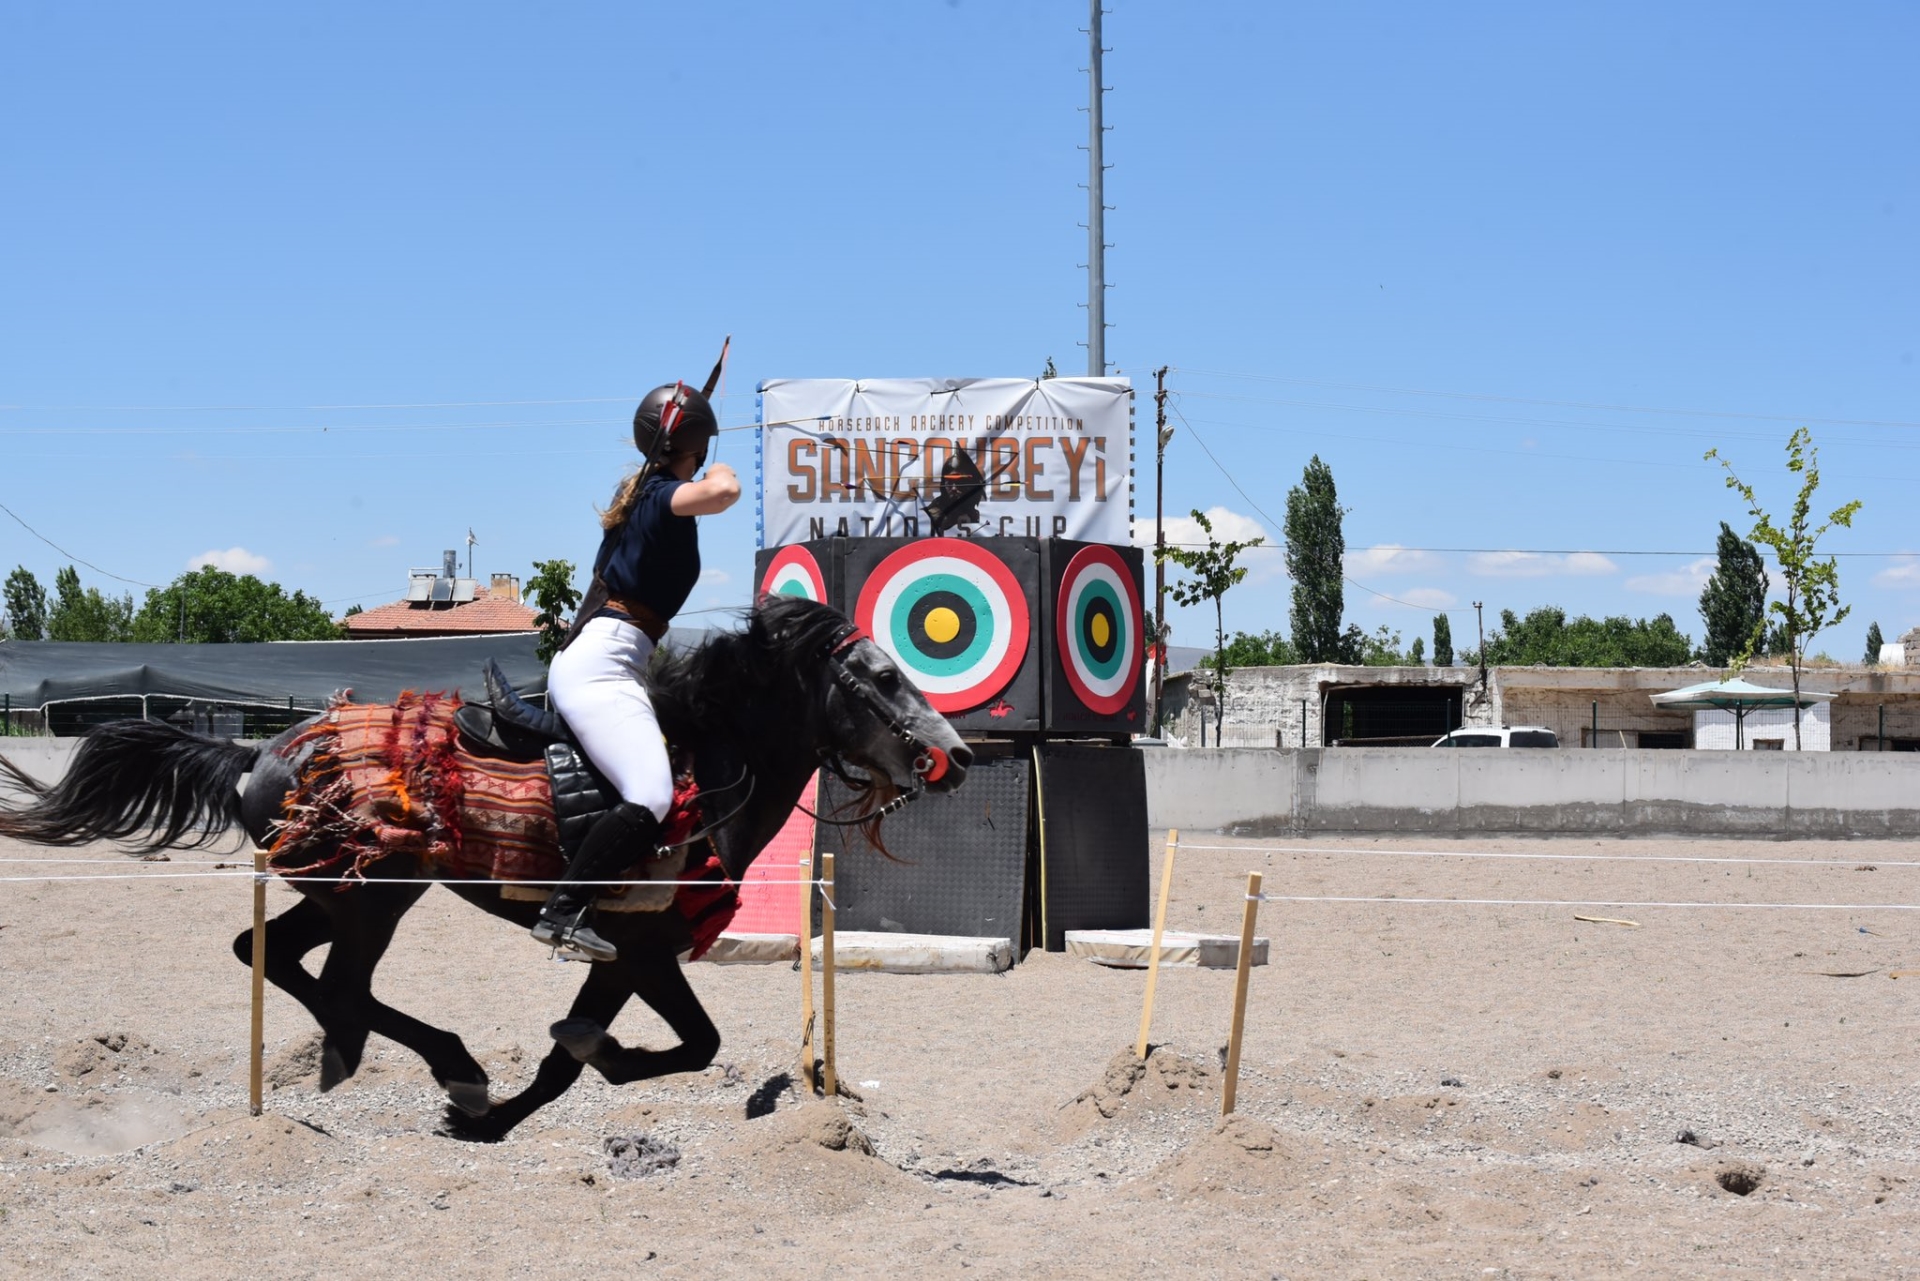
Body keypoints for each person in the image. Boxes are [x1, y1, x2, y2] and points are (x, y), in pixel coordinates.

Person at [534, 378, 740, 960]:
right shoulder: (656, 497)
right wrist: (718, 474)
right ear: (696, 446)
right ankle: (563, 912)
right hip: (605, 663)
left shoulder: (645, 494)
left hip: (622, 658)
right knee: (650, 794)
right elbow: (722, 494)